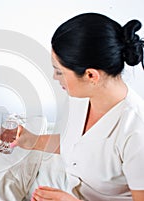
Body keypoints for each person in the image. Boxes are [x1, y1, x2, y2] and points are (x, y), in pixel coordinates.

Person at [11, 13, 144, 200]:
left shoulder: (137, 132)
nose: (55, 78)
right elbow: (79, 145)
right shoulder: (80, 97)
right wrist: (32, 140)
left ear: (91, 76)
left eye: (59, 71)